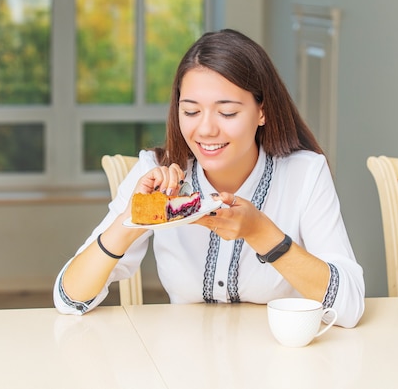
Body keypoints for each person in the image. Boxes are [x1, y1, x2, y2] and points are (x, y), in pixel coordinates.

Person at [53, 29, 365, 327]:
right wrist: (132, 218)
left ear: (262, 112)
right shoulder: (157, 170)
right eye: (190, 112)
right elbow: (69, 299)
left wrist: (262, 234)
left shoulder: (305, 173)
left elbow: (349, 307)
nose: (205, 130)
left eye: (226, 113)